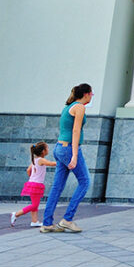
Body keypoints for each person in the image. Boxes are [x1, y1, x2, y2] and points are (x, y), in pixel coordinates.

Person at [41, 83, 93, 233]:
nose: (91, 97)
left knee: (57, 187)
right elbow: (76, 131)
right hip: (69, 148)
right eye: (91, 94)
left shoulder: (67, 107)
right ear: (86, 94)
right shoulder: (79, 107)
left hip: (59, 148)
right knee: (84, 182)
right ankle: (67, 220)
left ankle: (47, 223)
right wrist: (75, 155)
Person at [11, 141, 55, 227]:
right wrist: (62, 163)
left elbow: (28, 170)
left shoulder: (35, 160)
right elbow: (51, 163)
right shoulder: (41, 160)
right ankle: (16, 214)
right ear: (43, 151)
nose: (48, 150)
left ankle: (34, 221)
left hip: (32, 184)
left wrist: (32, 178)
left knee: (35, 204)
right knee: (34, 204)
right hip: (36, 184)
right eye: (47, 148)